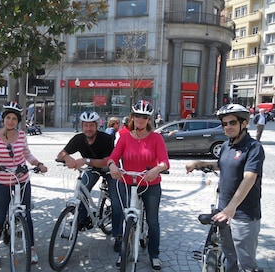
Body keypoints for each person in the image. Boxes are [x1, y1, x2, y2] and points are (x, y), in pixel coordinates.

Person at [186, 103, 265, 272]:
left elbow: (249, 178)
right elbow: (223, 165)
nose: (227, 127)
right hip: (223, 211)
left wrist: (231, 209)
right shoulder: (225, 146)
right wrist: (199, 163)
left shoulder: (253, 148)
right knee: (230, 258)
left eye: (232, 123)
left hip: (243, 215)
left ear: (244, 124)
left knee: (246, 265)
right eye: (224, 123)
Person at [0, 101, 48, 268]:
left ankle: (31, 248)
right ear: (3, 119)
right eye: (8, 118)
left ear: (18, 121)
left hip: (22, 181)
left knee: (26, 216)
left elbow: (27, 154)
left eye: (14, 119)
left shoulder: (22, 135)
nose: (10, 121)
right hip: (2, 182)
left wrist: (38, 164)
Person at [106, 100, 170, 270]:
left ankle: (154, 254)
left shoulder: (156, 138)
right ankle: (122, 249)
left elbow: (165, 163)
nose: (140, 119)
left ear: (149, 119)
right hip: (127, 182)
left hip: (150, 183)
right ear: (132, 117)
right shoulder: (125, 137)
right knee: (122, 214)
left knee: (152, 220)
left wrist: (156, 169)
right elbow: (113, 157)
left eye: (144, 116)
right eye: (137, 116)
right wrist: (112, 165)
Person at [56, 111, 125, 252]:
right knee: (81, 190)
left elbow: (107, 161)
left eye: (91, 125)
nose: (88, 128)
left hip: (110, 170)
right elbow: (61, 154)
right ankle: (82, 220)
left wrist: (86, 160)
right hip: (93, 168)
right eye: (85, 125)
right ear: (82, 126)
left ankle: (119, 236)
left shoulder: (106, 138)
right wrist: (67, 158)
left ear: (97, 125)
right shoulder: (79, 139)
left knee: (117, 203)